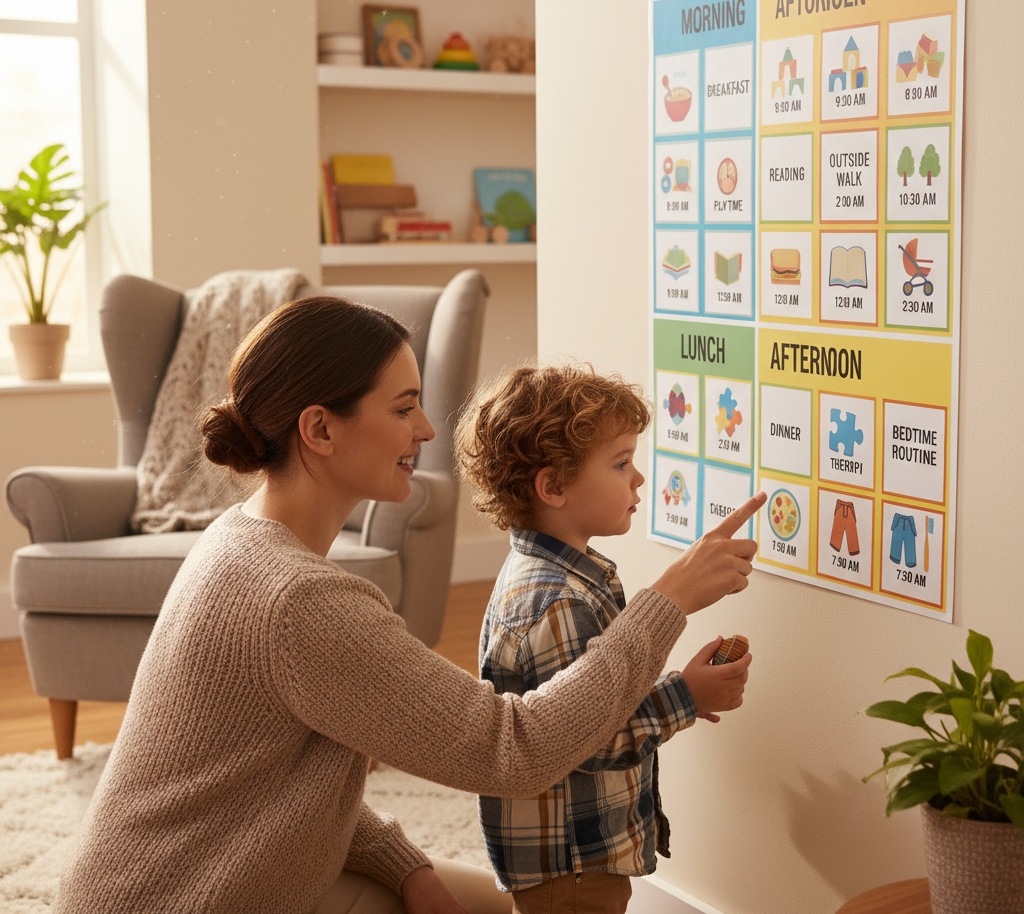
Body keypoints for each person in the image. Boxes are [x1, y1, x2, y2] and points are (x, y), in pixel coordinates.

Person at [53, 296, 765, 914]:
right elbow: (512, 750)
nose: (425, 429)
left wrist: (405, 869)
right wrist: (669, 600)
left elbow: (271, 781)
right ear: (320, 430)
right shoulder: (299, 601)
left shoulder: (238, 541)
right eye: (403, 408)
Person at [455, 364, 756, 914]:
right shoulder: (557, 602)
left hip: (570, 859)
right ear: (553, 487)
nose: (638, 478)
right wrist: (685, 697)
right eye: (620, 464)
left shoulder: (561, 575)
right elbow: (582, 739)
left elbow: (589, 699)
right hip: (570, 868)